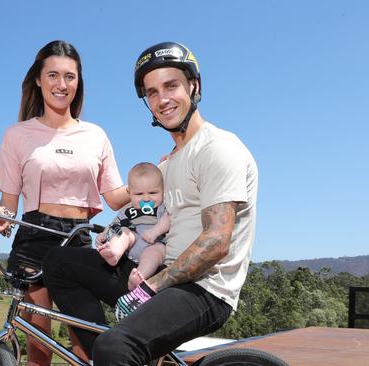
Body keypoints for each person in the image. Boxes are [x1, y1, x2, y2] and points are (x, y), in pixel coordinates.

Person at [42, 41, 258, 365]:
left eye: (171, 86)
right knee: (59, 263)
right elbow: (136, 209)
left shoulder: (218, 149)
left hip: (204, 289)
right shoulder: (167, 165)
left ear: (194, 86)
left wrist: (149, 288)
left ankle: (116, 349)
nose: (162, 100)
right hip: (159, 271)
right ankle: (107, 352)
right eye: (152, 92)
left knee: (116, 348)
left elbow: (216, 242)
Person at [0, 40, 129, 366]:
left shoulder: (96, 135)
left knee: (86, 345)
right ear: (38, 79)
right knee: (40, 348)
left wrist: (154, 186)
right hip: (33, 238)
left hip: (78, 239)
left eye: (70, 77)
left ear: (79, 82)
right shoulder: (17, 135)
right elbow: (9, 205)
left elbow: (116, 196)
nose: (62, 85)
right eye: (53, 75)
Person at [96, 162, 170, 290]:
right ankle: (114, 253)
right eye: (139, 194)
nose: (146, 198)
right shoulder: (128, 210)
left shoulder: (163, 207)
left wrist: (155, 231)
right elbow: (115, 224)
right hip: (133, 242)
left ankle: (138, 278)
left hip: (154, 243)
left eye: (153, 192)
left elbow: (169, 219)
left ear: (163, 190)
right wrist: (104, 234)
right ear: (129, 193)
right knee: (124, 232)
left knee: (157, 252)